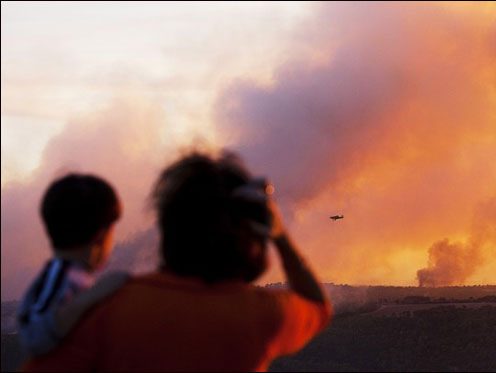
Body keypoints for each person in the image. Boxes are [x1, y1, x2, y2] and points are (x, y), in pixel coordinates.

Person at [22, 152, 332, 372]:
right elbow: (317, 306)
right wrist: (279, 236)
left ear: (168, 225)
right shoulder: (265, 314)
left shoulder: (106, 309)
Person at [17, 174, 129, 356]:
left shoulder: (74, 276)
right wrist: (95, 294)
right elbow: (35, 335)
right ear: (102, 235)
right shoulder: (58, 275)